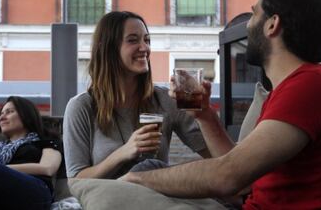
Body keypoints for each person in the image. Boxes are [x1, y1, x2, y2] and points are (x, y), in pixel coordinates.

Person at [119, 0, 321, 209]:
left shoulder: (309, 87)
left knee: (144, 171)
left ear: (272, 24)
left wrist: (140, 180)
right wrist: (204, 115)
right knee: (148, 168)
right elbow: (243, 176)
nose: (247, 25)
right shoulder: (292, 88)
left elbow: (227, 176)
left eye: (254, 13)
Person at [63, 11, 215, 180]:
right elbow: (76, 179)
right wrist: (123, 153)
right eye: (133, 40)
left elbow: (218, 158)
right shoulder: (81, 107)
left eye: (147, 40)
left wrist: (204, 114)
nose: (144, 48)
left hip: (152, 200)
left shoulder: (164, 99)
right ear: (108, 48)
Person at [0, 96, 62, 210]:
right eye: (1, 113)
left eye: (10, 112)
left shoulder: (45, 141)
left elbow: (47, 168)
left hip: (36, 192)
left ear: (27, 115)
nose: (2, 117)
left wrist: (2, 169)